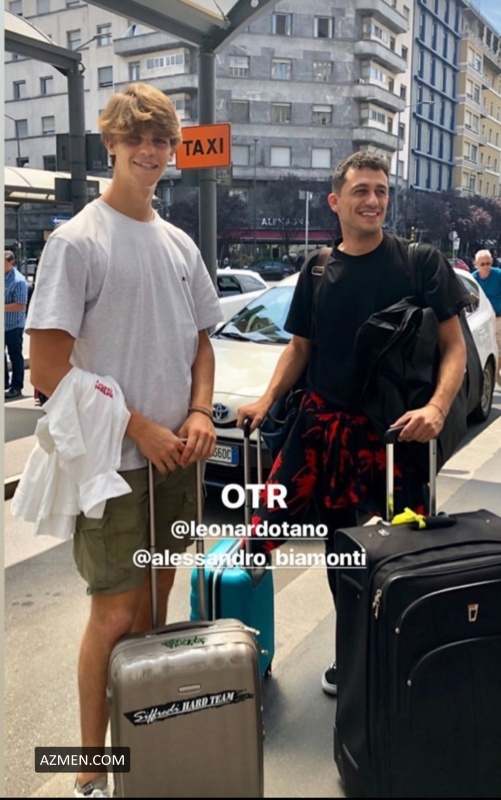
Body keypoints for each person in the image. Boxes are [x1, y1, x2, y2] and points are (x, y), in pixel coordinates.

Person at [26, 82, 223, 798]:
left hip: (177, 459)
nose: (149, 149)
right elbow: (47, 368)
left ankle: (144, 743)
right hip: (113, 464)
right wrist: (141, 425)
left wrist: (199, 412)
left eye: (161, 139)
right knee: (112, 611)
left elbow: (201, 343)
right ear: (110, 143)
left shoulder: (179, 244)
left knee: (157, 598)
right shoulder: (77, 241)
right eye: (135, 136)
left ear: (173, 150)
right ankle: (90, 768)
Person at [237, 152, 469, 696]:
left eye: (381, 191)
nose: (373, 200)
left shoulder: (419, 263)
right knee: (340, 552)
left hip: (396, 438)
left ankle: (404, 664)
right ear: (335, 201)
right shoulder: (318, 269)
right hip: (326, 431)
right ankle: (353, 657)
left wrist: (437, 408)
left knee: (403, 552)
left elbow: (454, 345)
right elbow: (300, 348)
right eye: (361, 190)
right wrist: (267, 399)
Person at [472, 248, 501, 377]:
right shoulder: (473, 279)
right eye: (482, 264)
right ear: (476, 264)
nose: (485, 267)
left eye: (488, 263)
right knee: (484, 347)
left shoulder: (498, 275)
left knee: (499, 346)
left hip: (498, 317)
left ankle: (496, 374)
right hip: (482, 318)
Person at [4, 250, 29, 399]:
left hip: (13, 326)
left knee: (15, 356)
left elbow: (21, 305)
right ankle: (4, 383)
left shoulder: (18, 281)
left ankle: (16, 386)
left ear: (10, 263)